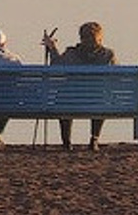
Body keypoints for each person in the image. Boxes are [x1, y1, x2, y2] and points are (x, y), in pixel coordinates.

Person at [42, 21, 116, 151]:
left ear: (81, 37)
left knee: (63, 99)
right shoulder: (108, 55)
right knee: (101, 97)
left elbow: (56, 66)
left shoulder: (71, 54)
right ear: (100, 37)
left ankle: (66, 142)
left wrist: (52, 47)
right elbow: (114, 78)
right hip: (98, 102)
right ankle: (94, 139)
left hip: (70, 102)